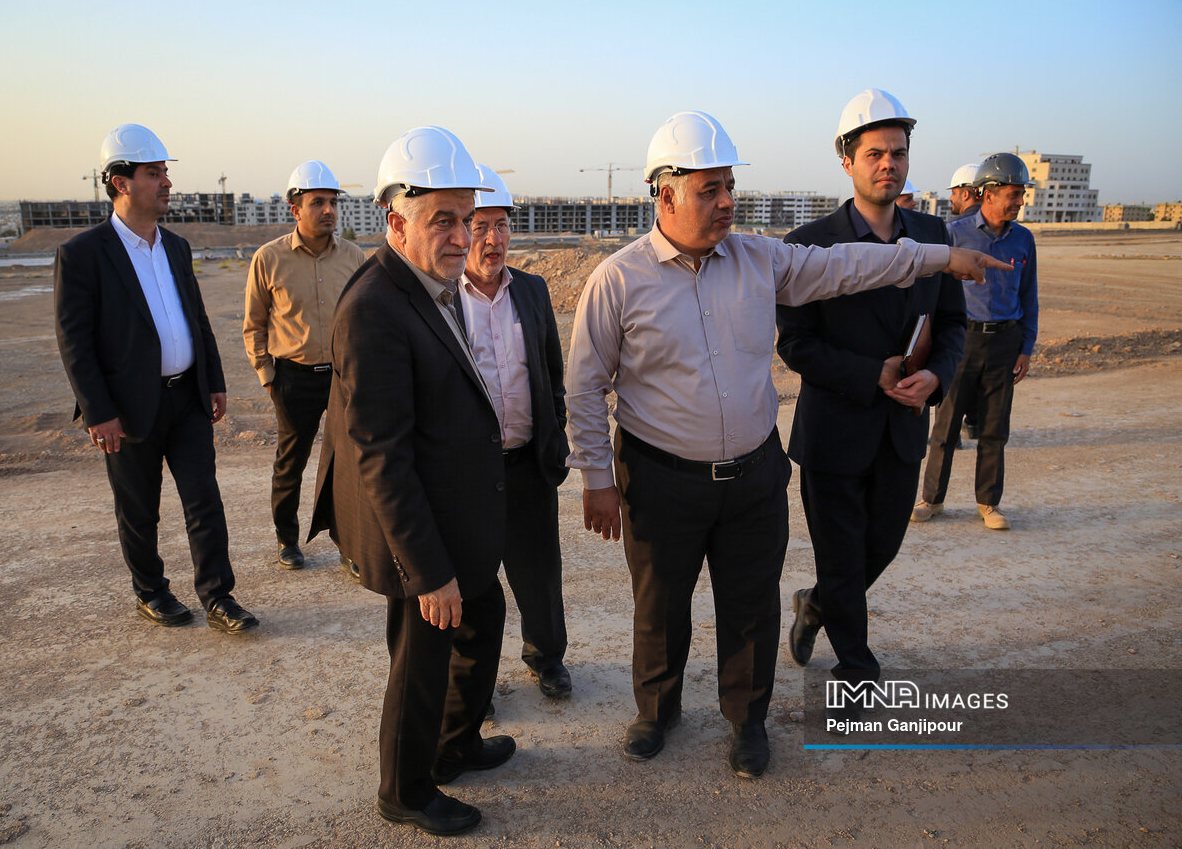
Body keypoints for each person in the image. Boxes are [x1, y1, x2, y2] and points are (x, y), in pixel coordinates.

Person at [565, 110, 1007, 778]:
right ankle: (656, 710)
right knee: (660, 603)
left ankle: (747, 721)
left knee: (751, 603)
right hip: (659, 478)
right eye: (710, 190)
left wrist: (942, 257)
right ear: (666, 195)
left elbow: (849, 265)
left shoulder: (761, 259)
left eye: (729, 187)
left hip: (753, 475)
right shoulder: (618, 279)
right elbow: (584, 387)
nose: (726, 202)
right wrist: (597, 479)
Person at [308, 127, 513, 836]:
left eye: (467, 219)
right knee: (422, 655)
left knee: (483, 618)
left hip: (453, 509)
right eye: (442, 221)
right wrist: (427, 572)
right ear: (396, 223)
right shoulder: (375, 307)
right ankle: (405, 788)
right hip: (418, 528)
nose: (462, 237)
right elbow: (380, 454)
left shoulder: (431, 283)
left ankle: (455, 744)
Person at [777, 90, 966, 700]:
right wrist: (870, 373)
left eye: (899, 153)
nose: (889, 164)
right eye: (875, 154)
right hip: (835, 432)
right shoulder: (809, 244)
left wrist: (936, 377)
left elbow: (953, 325)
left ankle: (816, 605)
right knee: (842, 558)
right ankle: (857, 671)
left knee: (879, 548)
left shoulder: (933, 236)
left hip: (902, 430)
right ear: (847, 161)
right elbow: (796, 344)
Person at [54, 123, 257, 633]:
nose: (167, 182)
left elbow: (197, 319)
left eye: (165, 172)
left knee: (204, 500)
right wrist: (98, 412)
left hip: (186, 398)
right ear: (120, 183)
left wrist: (213, 380)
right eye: (153, 173)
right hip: (126, 409)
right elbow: (75, 342)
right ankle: (151, 592)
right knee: (139, 510)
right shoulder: (83, 254)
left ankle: (218, 597)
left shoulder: (177, 247)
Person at [458, 165, 572, 699]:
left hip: (527, 463)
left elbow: (551, 372)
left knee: (539, 573)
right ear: (461, 230)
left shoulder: (532, 290)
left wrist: (555, 434)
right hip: (470, 473)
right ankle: (470, 687)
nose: (493, 239)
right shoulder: (443, 298)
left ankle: (546, 656)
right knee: (469, 582)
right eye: (480, 226)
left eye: (501, 225)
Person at [243, 161, 365, 572]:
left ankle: (350, 545)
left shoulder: (353, 256)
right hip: (292, 377)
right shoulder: (268, 258)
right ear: (295, 209)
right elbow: (254, 324)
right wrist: (268, 376)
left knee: (350, 464)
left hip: (343, 377)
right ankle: (287, 540)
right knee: (290, 463)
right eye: (318, 202)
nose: (329, 210)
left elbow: (365, 317)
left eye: (333, 202)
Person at [912, 153, 1039, 531]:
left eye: (1021, 194)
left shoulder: (1024, 240)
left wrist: (1026, 348)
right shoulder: (955, 234)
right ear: (989, 194)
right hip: (961, 341)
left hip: (1005, 343)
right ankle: (931, 499)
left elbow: (1029, 297)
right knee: (945, 428)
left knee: (994, 429)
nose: (1020, 202)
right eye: (1014, 194)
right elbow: (932, 294)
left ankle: (988, 503)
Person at [946, 161, 984, 439]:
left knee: (953, 382)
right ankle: (974, 423)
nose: (950, 199)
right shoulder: (1010, 230)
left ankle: (950, 434)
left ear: (966, 193)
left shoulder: (952, 230)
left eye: (953, 193)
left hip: (961, 323)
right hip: (997, 329)